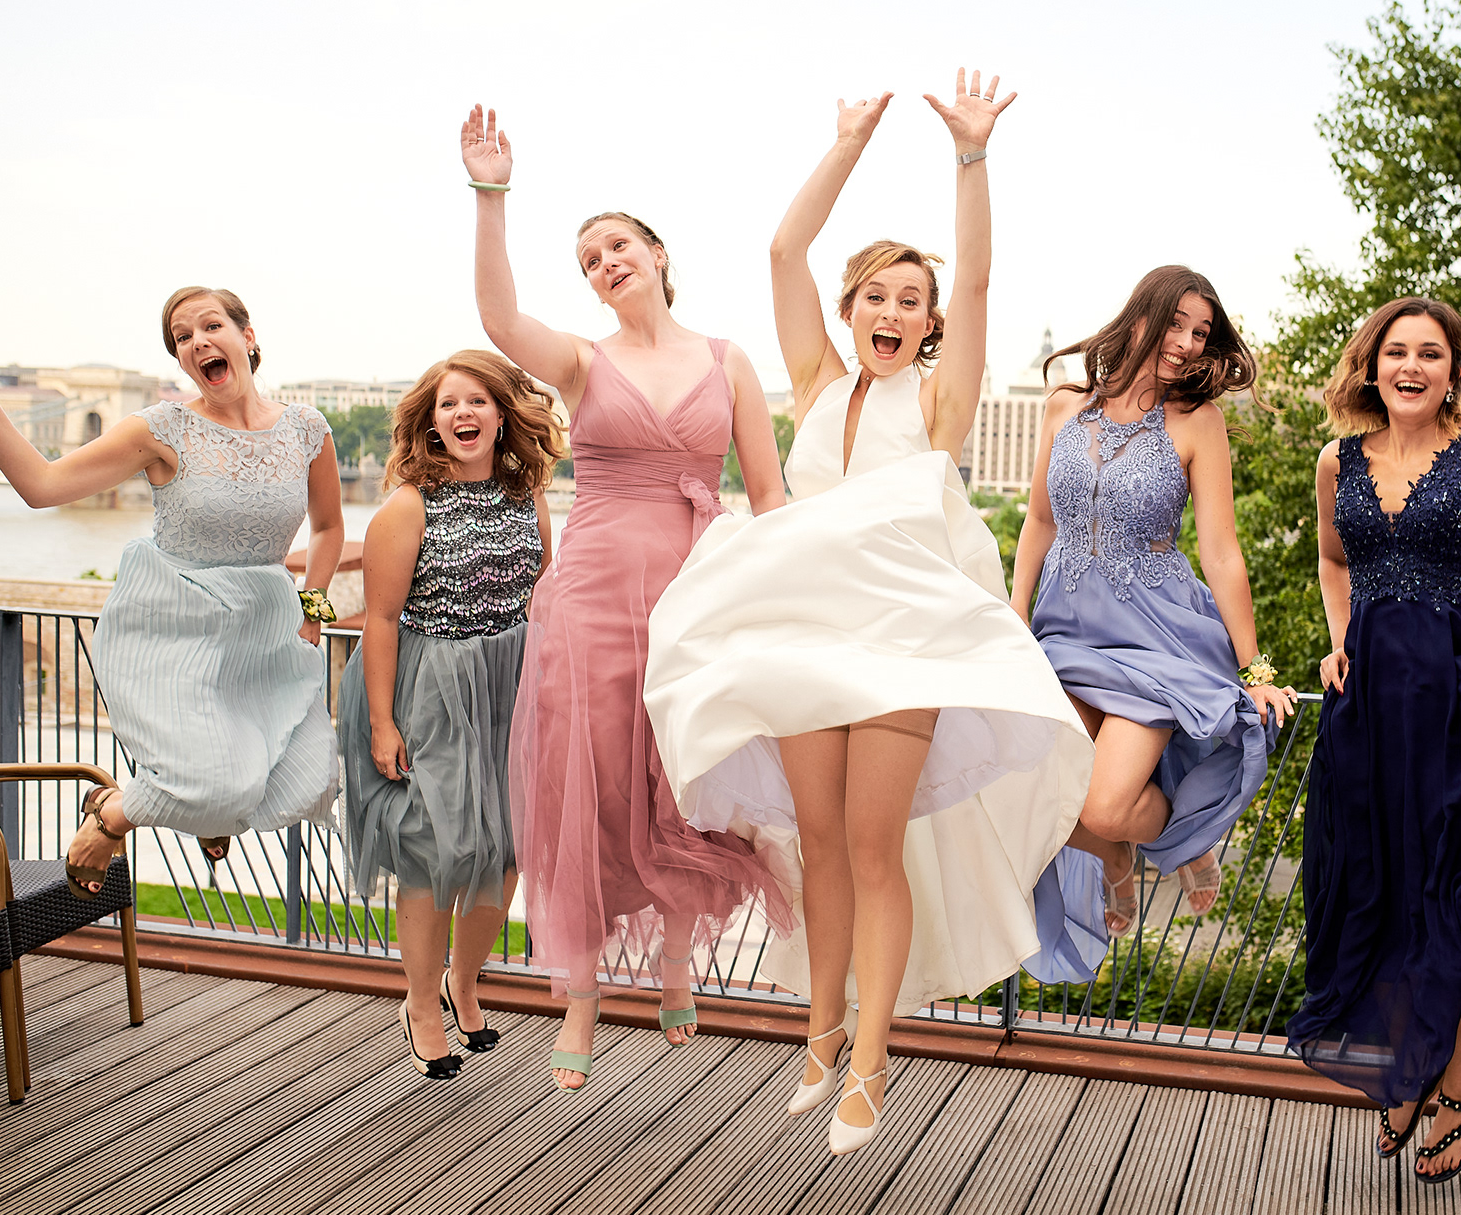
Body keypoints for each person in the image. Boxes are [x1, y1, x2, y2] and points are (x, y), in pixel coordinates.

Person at [643, 70, 1092, 1156]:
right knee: (824, 850)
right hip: (806, 637)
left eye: (910, 299)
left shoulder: (936, 397)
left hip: (905, 640)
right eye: (875, 296)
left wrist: (970, 157)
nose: (892, 311)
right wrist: (845, 143)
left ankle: (874, 1066)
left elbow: (978, 279)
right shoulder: (814, 382)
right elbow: (782, 254)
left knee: (877, 848)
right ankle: (818, 1037)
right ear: (850, 312)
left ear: (927, 324)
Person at [460, 105, 792, 1090]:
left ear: (657, 253)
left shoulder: (728, 359)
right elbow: (497, 319)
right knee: (588, 782)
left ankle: (679, 951)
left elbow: (768, 495)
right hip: (596, 590)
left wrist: (786, 594)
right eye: (589, 259)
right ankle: (582, 993)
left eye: (617, 246)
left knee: (685, 771)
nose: (604, 262)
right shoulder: (581, 360)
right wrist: (491, 195)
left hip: (697, 588)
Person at [1286, 296, 1461, 1184]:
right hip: (1372, 707)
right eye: (1395, 351)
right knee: (1382, 886)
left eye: (1429, 354)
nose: (1410, 366)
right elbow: (1332, 560)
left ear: (1452, 370)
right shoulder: (1336, 461)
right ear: (1372, 364)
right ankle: (1408, 1062)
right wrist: (1336, 637)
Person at [0, 289, 343, 898]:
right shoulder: (161, 428)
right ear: (180, 361)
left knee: (309, 780)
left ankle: (204, 812)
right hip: (177, 623)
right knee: (216, 787)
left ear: (247, 337)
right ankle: (112, 815)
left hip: (264, 627)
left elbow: (329, 526)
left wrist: (314, 604)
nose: (197, 341)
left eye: (211, 325)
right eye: (182, 337)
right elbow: (41, 486)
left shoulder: (307, 429)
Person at [1010, 266, 1292, 983]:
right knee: (1028, 792)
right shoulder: (1064, 406)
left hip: (1157, 638)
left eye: (1202, 334)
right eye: (1179, 324)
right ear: (1141, 316)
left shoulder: (1198, 422)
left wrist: (1255, 668)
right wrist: (1013, 626)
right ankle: (1120, 853)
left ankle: (1165, 835)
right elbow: (1040, 521)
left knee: (1106, 803)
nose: (1190, 343)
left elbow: (1221, 550)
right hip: (1064, 632)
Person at [338, 350, 564, 1079]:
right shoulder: (409, 505)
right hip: (431, 690)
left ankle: (464, 981)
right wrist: (381, 723)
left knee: (505, 853)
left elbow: (544, 596)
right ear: (431, 423)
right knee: (434, 852)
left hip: (511, 684)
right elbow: (378, 620)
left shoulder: (526, 493)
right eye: (447, 405)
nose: (462, 414)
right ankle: (420, 1001)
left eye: (476, 402)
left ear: (502, 414)